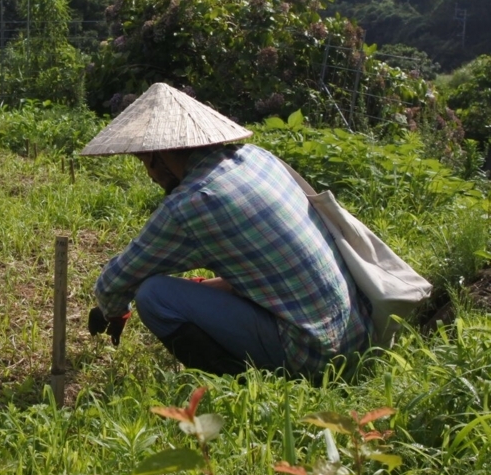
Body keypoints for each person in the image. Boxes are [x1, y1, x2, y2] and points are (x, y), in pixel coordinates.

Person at [82, 83, 373, 377]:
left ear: (160, 157)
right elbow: (263, 272)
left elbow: (114, 282)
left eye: (146, 161)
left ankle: (238, 382)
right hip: (357, 338)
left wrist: (114, 311)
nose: (150, 174)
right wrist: (198, 287)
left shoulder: (191, 203)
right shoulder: (258, 158)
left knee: (152, 295)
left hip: (312, 356)